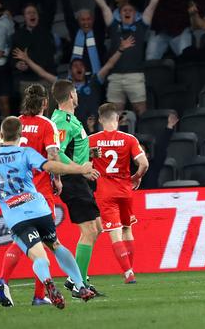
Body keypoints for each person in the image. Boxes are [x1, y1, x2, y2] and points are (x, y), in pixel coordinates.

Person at [0, 116, 98, 309]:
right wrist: (79, 168)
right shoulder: (25, 152)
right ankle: (80, 286)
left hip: (17, 217)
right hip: (39, 209)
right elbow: (51, 165)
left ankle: (48, 283)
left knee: (41, 258)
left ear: (1, 134)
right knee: (55, 245)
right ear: (20, 134)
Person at [0, 84, 63, 307]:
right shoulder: (46, 124)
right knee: (42, 242)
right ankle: (39, 296)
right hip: (39, 194)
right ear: (45, 103)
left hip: (15, 194)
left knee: (22, 239)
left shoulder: (13, 124)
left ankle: (3, 279)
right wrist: (58, 180)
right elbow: (52, 157)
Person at [50, 79, 104, 297]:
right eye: (76, 92)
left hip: (79, 179)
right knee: (89, 230)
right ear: (71, 95)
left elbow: (72, 148)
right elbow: (57, 152)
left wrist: (89, 153)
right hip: (72, 179)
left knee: (97, 227)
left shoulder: (69, 119)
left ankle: (78, 278)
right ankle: (78, 282)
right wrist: (80, 168)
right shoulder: (62, 120)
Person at [12, 36, 135, 126]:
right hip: (71, 128)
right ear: (70, 71)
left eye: (81, 65)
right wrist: (27, 60)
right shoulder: (63, 85)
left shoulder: (94, 81)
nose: (79, 68)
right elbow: (42, 73)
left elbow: (109, 65)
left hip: (94, 126)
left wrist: (120, 50)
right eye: (75, 66)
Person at [89, 103, 149, 283]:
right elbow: (144, 163)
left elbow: (81, 161)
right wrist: (137, 177)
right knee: (127, 229)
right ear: (117, 119)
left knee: (114, 232)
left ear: (100, 120)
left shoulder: (91, 140)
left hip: (105, 192)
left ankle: (128, 272)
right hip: (125, 190)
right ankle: (130, 270)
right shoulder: (129, 139)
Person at [90, 0, 164, 116]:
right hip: (115, 77)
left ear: (135, 14)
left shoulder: (141, 26)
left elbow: (152, 6)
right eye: (124, 11)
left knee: (141, 110)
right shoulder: (114, 26)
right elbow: (103, 7)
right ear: (120, 13)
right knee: (114, 114)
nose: (127, 12)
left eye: (130, 11)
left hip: (135, 75)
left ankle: (142, 136)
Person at [11, 0, 57, 96]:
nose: (32, 15)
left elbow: (51, 7)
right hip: (28, 80)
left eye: (34, 12)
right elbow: (12, 57)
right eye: (29, 13)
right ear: (24, 17)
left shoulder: (44, 28)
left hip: (47, 77)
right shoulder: (18, 36)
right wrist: (17, 65)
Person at [55, 0, 107, 74]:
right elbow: (67, 11)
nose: (86, 22)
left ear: (92, 20)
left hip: (96, 79)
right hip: (77, 79)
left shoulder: (98, 31)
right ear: (78, 21)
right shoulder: (75, 32)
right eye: (83, 20)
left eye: (88, 19)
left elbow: (100, 9)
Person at [140, 111, 178, 189]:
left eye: (141, 152)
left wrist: (169, 126)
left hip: (152, 198)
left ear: (147, 156)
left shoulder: (153, 167)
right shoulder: (128, 168)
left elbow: (161, 147)